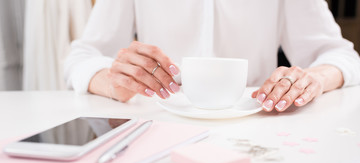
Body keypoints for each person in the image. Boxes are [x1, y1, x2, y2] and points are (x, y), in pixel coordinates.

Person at [65, 0, 360, 112]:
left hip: (259, 126)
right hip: (155, 127)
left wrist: (314, 78)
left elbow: (340, 54)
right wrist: (113, 81)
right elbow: (81, 55)